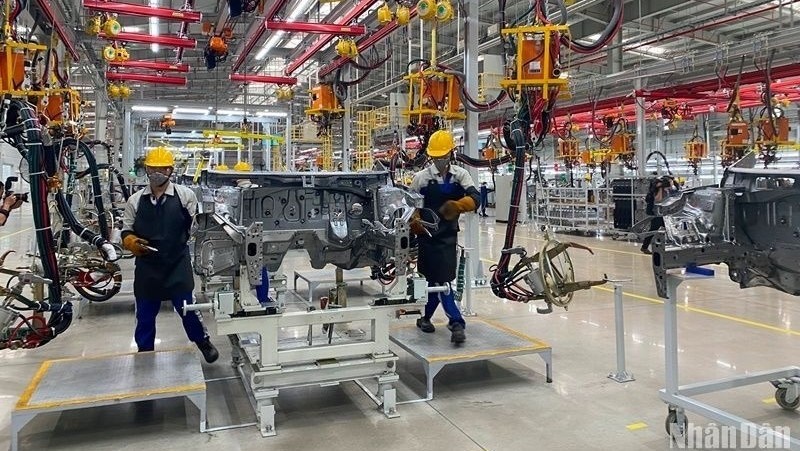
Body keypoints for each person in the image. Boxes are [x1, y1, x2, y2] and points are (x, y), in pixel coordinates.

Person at [122, 147, 219, 363]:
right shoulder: (135, 201)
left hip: (177, 262)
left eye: (162, 169)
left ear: (170, 170)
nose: (157, 173)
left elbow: (196, 228)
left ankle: (202, 341)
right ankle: (145, 352)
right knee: (145, 315)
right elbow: (126, 229)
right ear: (146, 170)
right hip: (148, 265)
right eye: (152, 168)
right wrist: (130, 241)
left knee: (188, 308)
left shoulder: (186, 196)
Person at [410, 130, 480, 344]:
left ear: (452, 153)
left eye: (444, 156)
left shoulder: (461, 176)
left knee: (442, 281)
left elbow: (476, 198)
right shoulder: (421, 178)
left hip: (448, 238)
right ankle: (449, 321)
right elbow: (411, 204)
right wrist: (415, 221)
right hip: (427, 239)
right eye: (436, 157)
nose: (440, 160)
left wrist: (459, 205)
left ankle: (452, 321)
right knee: (435, 281)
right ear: (430, 156)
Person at [640, 175, 678, 254]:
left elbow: (675, 193)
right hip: (656, 213)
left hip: (663, 213)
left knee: (665, 229)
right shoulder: (656, 190)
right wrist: (660, 188)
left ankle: (646, 246)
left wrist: (671, 185)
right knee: (655, 229)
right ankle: (645, 247)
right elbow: (658, 199)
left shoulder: (668, 189)